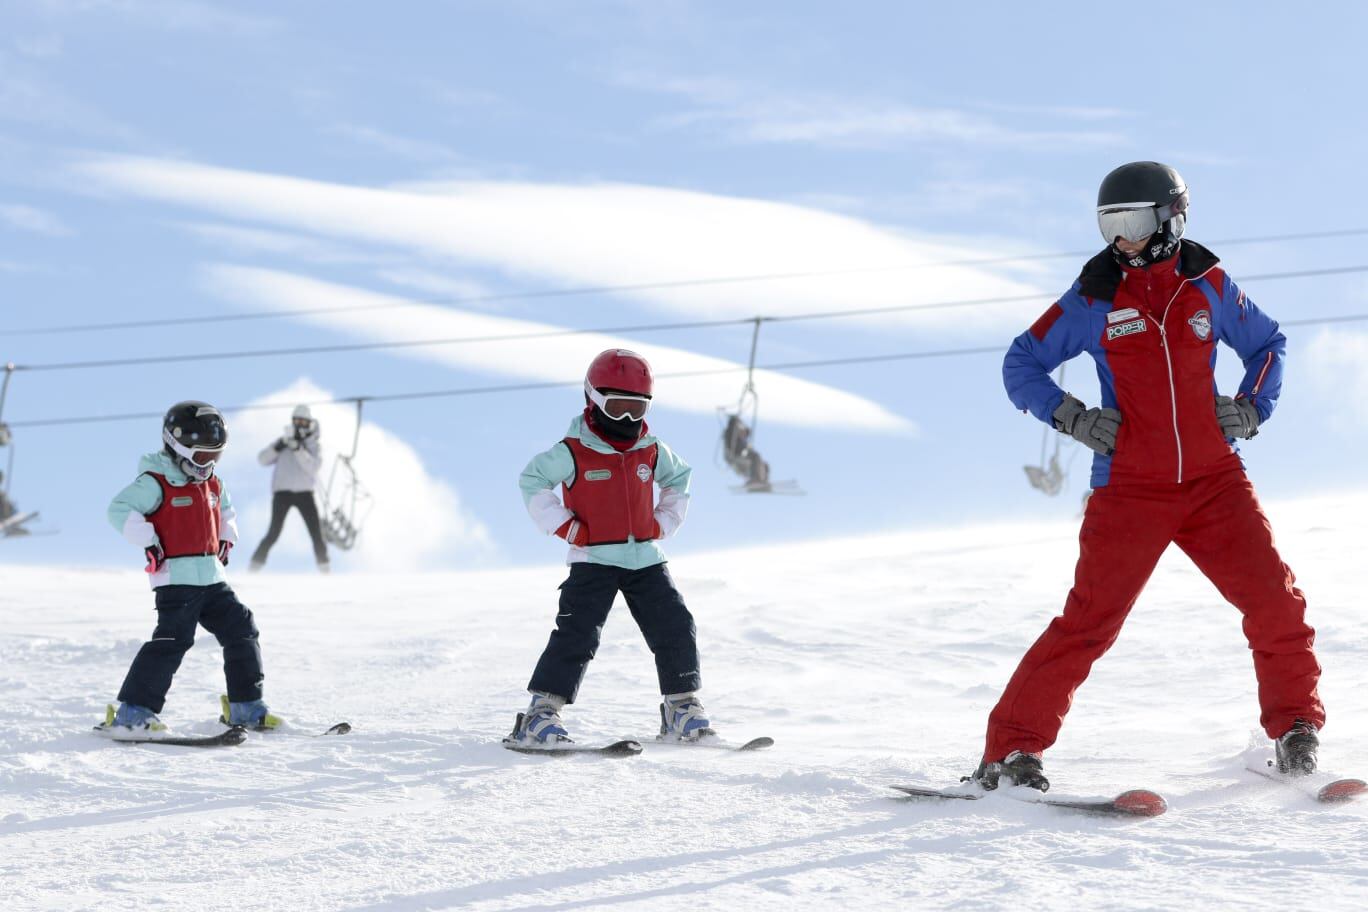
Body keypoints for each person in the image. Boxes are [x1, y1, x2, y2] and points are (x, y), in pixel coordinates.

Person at [974, 161, 1323, 791]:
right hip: (1129, 489)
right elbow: (1021, 361)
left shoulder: (1210, 285)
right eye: (1109, 224)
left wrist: (1250, 407)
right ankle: (1010, 754)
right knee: (1088, 622)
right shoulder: (1093, 298)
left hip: (1216, 482)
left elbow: (1269, 344)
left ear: (1170, 217)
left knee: (1275, 602)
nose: (1121, 239)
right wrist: (1069, 416)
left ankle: (1296, 728)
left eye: (1132, 221)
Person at [509, 349, 710, 745]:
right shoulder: (571, 451)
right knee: (578, 634)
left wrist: (663, 521)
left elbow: (681, 477)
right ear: (593, 400)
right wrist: (566, 528)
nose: (627, 420)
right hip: (593, 559)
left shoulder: (650, 450)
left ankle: (680, 708)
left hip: (645, 559)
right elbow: (532, 480)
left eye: (636, 409)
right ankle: (540, 714)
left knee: (675, 624)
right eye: (617, 408)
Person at [99, 401, 281, 734]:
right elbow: (118, 510)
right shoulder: (155, 482)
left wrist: (227, 536)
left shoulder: (214, 483)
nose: (208, 464)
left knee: (241, 628)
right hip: (177, 581)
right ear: (176, 446)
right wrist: (149, 540)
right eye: (201, 456)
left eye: (216, 456)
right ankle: (133, 713)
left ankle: (245, 707)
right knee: (173, 639)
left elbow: (226, 512)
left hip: (212, 578)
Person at [249, 404, 330, 572]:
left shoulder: (314, 445)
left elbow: (313, 467)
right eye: (297, 421)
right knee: (273, 533)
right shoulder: (283, 441)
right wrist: (279, 446)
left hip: (305, 494)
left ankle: (325, 571)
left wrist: (298, 449)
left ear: (310, 424)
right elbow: (262, 460)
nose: (300, 425)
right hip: (282, 494)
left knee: (316, 534)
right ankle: (253, 569)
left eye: (303, 422)